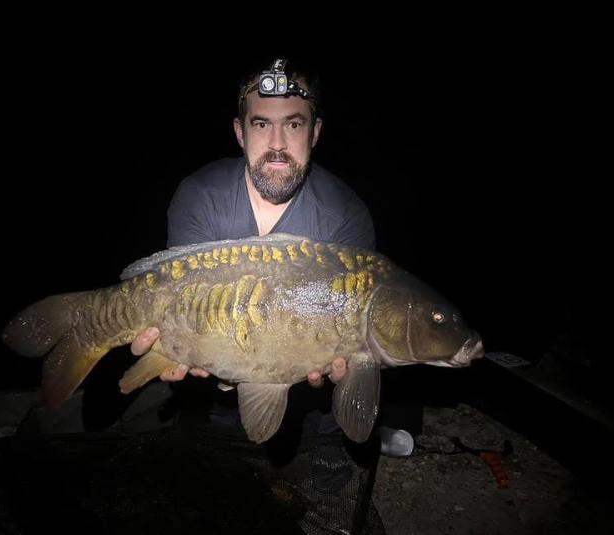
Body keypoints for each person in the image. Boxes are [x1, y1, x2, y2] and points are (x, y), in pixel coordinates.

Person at [128, 57, 413, 456]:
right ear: (240, 132)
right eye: (261, 124)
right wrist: (169, 348)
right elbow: (181, 306)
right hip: (214, 386)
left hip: (308, 397)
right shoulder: (201, 195)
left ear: (314, 133)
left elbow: (359, 355)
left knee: (326, 436)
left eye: (293, 124)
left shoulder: (346, 217)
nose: (277, 143)